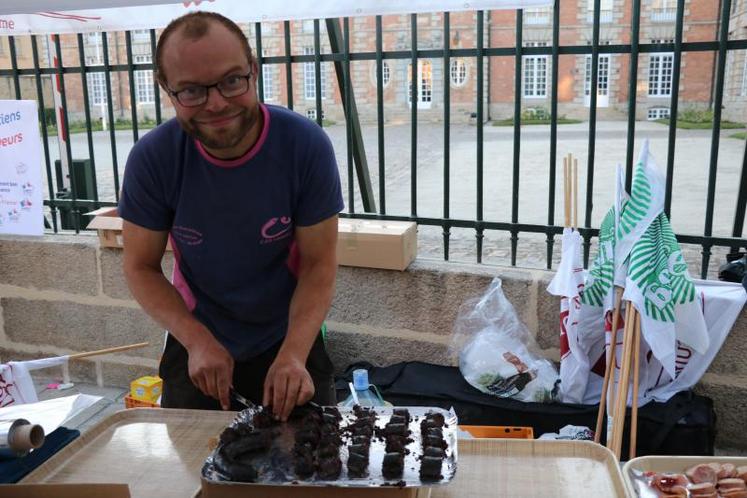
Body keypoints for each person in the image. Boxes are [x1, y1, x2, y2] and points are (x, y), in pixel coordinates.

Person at [119, 11, 343, 421]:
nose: (217, 103)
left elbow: (318, 264)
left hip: (290, 333)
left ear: (253, 71)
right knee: (194, 474)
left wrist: (293, 354)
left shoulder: (305, 146)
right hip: (195, 337)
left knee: (314, 474)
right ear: (168, 91)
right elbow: (140, 267)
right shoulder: (153, 159)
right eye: (191, 91)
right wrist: (197, 340)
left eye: (231, 80)